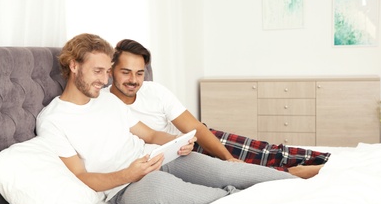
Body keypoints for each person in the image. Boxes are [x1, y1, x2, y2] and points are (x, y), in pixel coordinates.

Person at [36, 33, 297, 204]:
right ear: (73, 65)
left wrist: (179, 142)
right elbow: (82, 177)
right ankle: (268, 202)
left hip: (155, 158)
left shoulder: (107, 101)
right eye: (98, 71)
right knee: (191, 193)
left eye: (107, 71)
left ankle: (296, 185)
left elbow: (149, 134)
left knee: (226, 171)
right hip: (124, 186)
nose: (105, 80)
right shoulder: (53, 120)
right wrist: (130, 174)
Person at [105, 39, 330, 179]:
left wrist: (226, 156)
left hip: (188, 143)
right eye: (126, 72)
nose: (133, 80)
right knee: (243, 174)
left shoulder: (155, 91)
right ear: (111, 71)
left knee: (265, 151)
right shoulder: (104, 107)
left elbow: (196, 128)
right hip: (171, 161)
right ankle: (294, 174)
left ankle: (332, 161)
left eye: (140, 73)